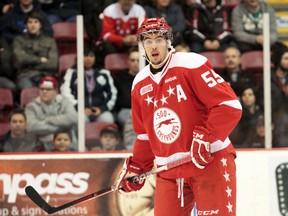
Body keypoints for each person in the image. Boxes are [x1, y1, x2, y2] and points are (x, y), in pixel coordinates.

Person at [115, 18, 242, 216]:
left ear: (168, 42)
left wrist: (206, 136)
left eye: (158, 39)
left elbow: (229, 105)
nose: (154, 45)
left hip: (209, 162)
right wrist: (138, 167)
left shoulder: (190, 64)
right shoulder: (139, 83)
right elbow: (145, 136)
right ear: (142, 46)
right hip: (170, 172)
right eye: (148, 41)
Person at [60, 45, 117, 123]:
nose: (88, 59)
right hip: (79, 110)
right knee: (79, 121)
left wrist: (102, 108)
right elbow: (65, 92)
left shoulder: (104, 73)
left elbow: (113, 93)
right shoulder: (72, 73)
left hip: (100, 110)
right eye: (85, 56)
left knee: (108, 120)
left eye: (91, 56)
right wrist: (79, 108)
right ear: (79, 57)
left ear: (95, 58)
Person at [25, 76, 78, 151]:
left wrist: (48, 120)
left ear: (56, 91)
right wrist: (62, 128)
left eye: (48, 89)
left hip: (68, 143)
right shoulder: (31, 107)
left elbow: (72, 118)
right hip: (42, 144)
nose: (44, 92)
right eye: (42, 89)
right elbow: (31, 126)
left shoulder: (65, 102)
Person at [12, 11, 58, 90]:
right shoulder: (19, 40)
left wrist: (29, 63)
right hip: (25, 76)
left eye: (36, 22)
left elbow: (53, 64)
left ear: (40, 25)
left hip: (45, 75)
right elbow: (20, 60)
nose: (33, 25)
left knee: (47, 89)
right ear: (26, 25)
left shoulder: (50, 41)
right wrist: (40, 60)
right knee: (28, 89)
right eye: (30, 22)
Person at [114, 46, 139, 128]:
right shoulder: (120, 77)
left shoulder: (148, 76)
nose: (135, 63)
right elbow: (117, 100)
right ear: (128, 61)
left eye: (138, 60)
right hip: (126, 110)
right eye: (133, 60)